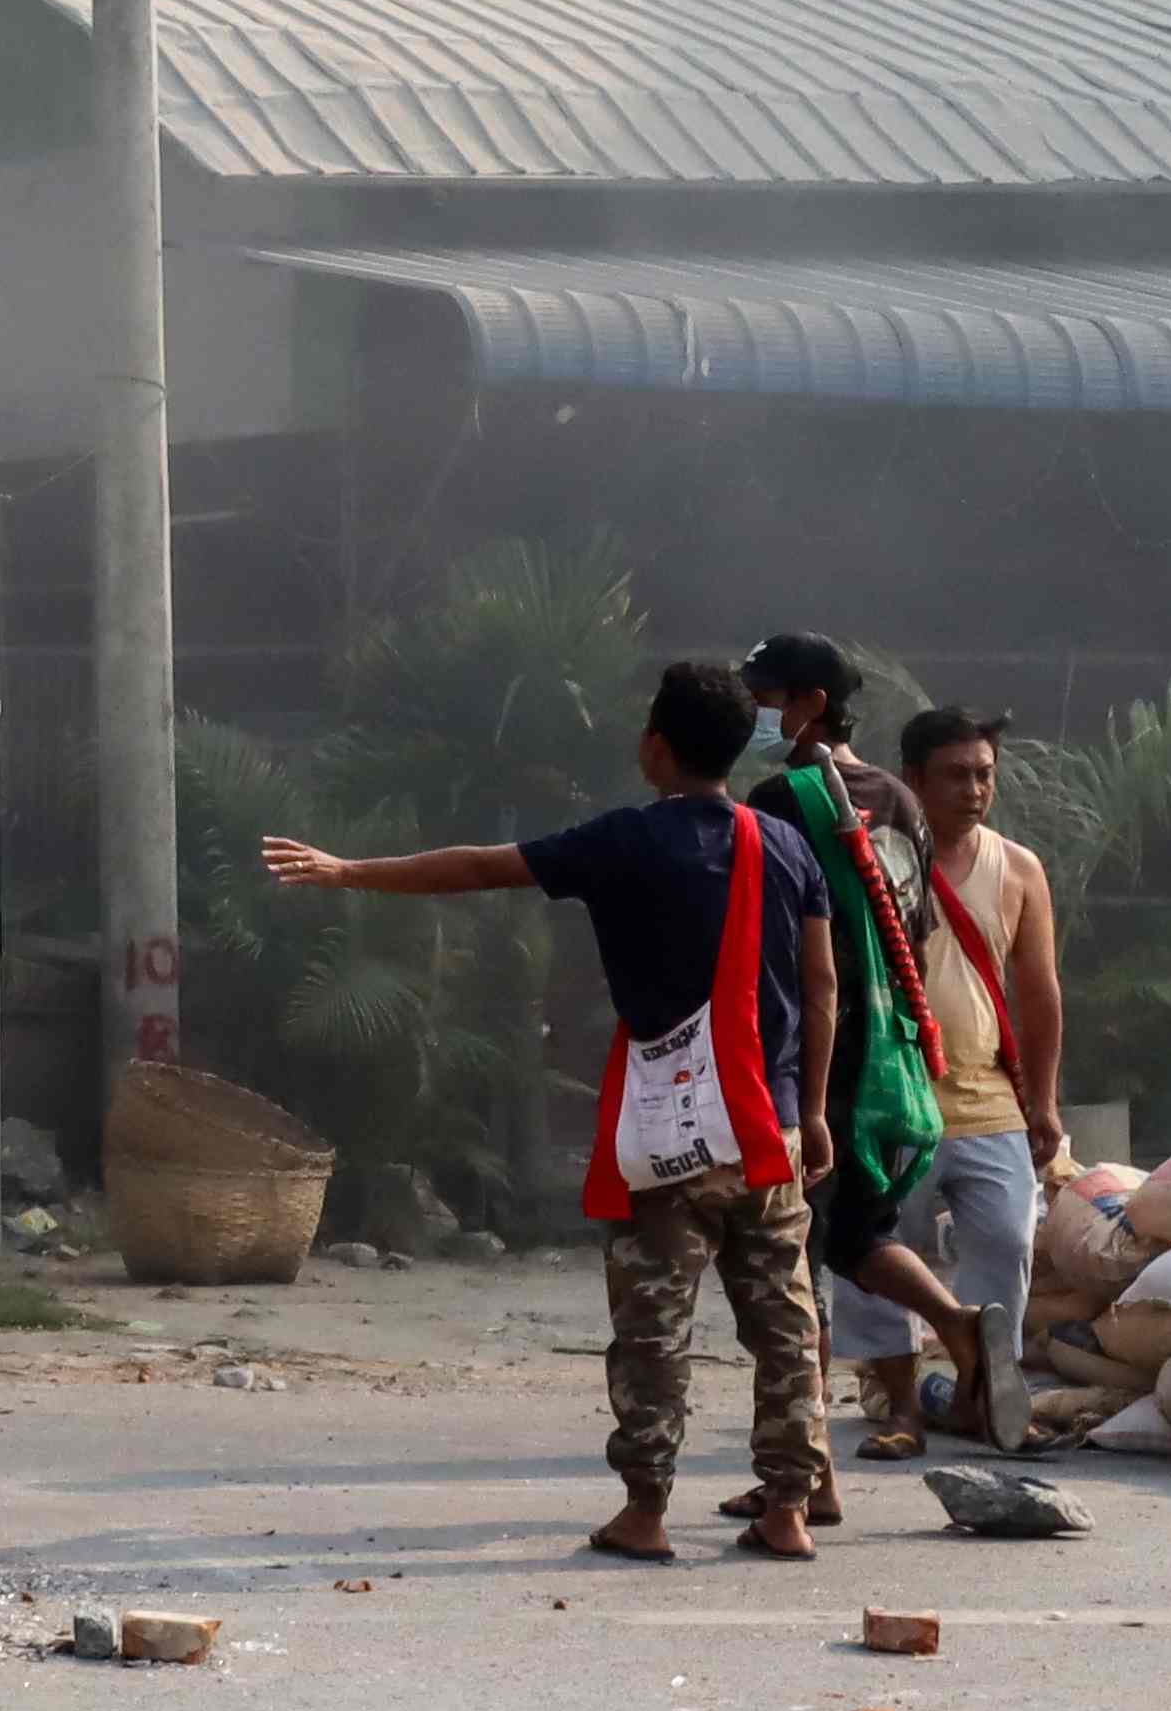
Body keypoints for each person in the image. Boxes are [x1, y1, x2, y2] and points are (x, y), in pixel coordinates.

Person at [263, 656, 841, 1562]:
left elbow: (481, 868)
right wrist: (811, 1111)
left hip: (671, 1132)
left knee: (655, 1324)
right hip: (766, 1125)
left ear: (655, 745)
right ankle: (788, 1508)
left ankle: (646, 1510)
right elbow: (823, 986)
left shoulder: (623, 842)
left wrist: (348, 872)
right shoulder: (789, 845)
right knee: (784, 1323)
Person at [739, 632, 977, 1495]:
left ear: (805, 704)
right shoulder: (900, 802)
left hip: (816, 1059)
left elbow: (778, 942)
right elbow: (918, 932)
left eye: (761, 695)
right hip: (892, 1061)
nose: (751, 712)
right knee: (857, 1236)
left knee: (792, 1261)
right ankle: (958, 1323)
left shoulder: (781, 799)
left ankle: (809, 1477)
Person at [896, 703, 1071, 1451]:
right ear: (913, 780)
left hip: (992, 1099)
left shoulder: (1020, 868)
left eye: (984, 775)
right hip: (895, 1098)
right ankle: (899, 1407)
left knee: (1005, 1245)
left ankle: (981, 1397)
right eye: (956, 775)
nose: (973, 790)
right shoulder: (878, 860)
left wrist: (1047, 1098)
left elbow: (1039, 992)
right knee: (878, 1254)